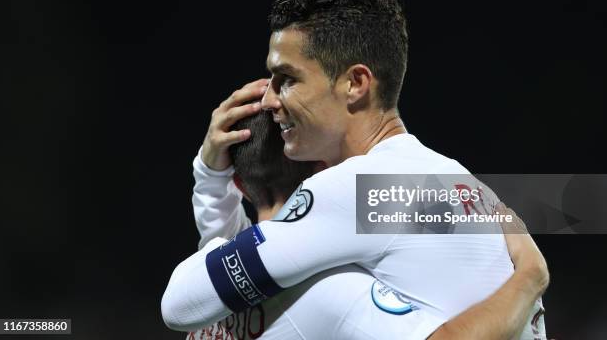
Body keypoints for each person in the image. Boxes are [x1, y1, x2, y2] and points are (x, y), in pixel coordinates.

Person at [162, 0, 549, 338]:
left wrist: (210, 176)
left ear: (355, 84)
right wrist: (529, 276)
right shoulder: (458, 182)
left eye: (288, 79)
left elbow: (184, 303)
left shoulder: (356, 190)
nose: (269, 99)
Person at [181, 109, 546, 339]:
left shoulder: (213, 293)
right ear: (325, 170)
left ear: (241, 185)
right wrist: (530, 274)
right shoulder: (325, 291)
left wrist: (209, 173)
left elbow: (234, 246)